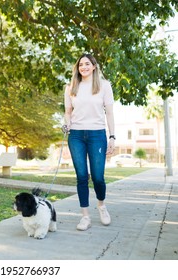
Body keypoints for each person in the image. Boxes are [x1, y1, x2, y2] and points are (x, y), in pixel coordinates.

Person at [63, 53, 115, 231]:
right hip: (76, 135)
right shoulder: (71, 87)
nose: (83, 67)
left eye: (87, 64)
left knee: (98, 177)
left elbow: (109, 113)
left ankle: (101, 205)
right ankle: (85, 216)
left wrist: (112, 137)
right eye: (80, 65)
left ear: (94, 66)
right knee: (82, 177)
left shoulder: (104, 86)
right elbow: (68, 112)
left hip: (97, 134)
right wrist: (67, 124)